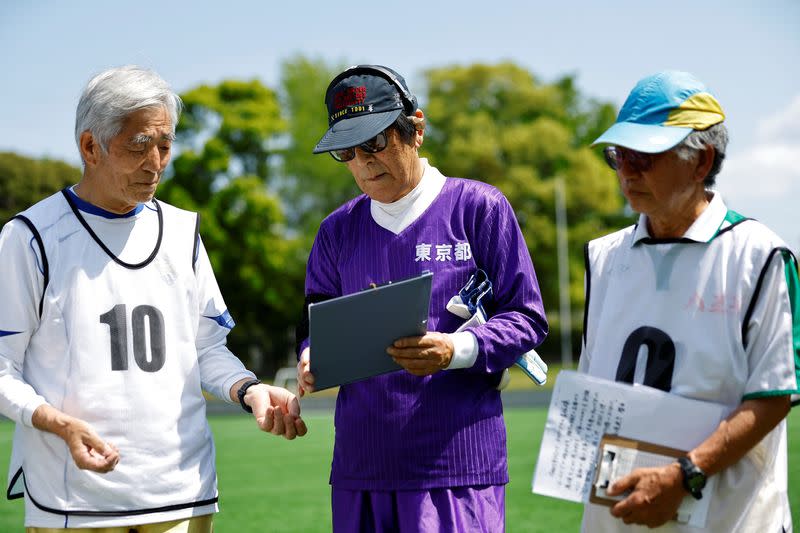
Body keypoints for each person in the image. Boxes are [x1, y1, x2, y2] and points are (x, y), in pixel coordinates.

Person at [0, 65, 307, 531]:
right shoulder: (30, 238)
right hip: (74, 500)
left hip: (183, 493)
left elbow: (204, 349)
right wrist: (59, 424)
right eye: (139, 146)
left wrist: (249, 389)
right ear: (90, 147)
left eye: (165, 145)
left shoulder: (184, 232)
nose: (156, 163)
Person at [295, 64, 548, 532]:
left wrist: (455, 350)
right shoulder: (336, 231)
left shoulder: (480, 207)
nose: (364, 161)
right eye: (347, 151)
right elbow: (313, 321)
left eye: (374, 142)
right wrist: (312, 357)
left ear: (416, 129)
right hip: (361, 466)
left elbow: (527, 317)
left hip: (458, 465)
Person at [579, 70, 799, 531]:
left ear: (701, 163)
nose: (627, 170)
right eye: (619, 155)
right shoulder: (603, 258)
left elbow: (774, 395)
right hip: (617, 517)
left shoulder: (760, 255)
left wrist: (685, 475)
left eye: (646, 156)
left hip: (731, 518)